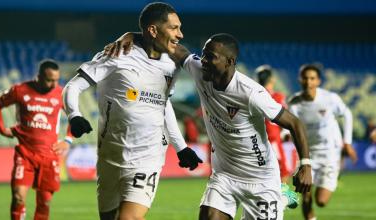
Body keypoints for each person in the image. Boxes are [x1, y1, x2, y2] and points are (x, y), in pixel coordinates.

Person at [107, 33, 312, 220]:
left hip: (261, 180)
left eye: (211, 56)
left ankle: (281, 197)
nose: (203, 61)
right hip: (225, 175)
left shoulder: (250, 93)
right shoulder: (200, 70)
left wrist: (305, 164)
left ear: (229, 62)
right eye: (204, 55)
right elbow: (173, 47)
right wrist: (133, 36)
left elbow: (294, 123)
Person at [62, 2, 202, 220]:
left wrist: (181, 147)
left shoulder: (173, 64)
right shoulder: (118, 53)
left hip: (149, 156)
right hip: (110, 154)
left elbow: (163, 105)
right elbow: (73, 86)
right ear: (153, 30)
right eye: (174, 28)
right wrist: (74, 115)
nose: (180, 34)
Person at [0, 59, 72, 220]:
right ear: (39, 76)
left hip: (49, 155)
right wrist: (1, 129)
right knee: (18, 197)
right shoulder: (20, 90)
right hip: (25, 153)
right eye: (49, 80)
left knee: (44, 202)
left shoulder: (60, 94)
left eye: (56, 80)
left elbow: (76, 117)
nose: (53, 84)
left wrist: (67, 140)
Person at [288, 64, 357, 220]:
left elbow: (347, 115)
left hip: (330, 154)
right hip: (307, 154)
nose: (308, 82)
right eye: (305, 78)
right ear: (300, 80)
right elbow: (291, 126)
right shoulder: (294, 103)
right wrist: (285, 135)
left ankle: (335, 174)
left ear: (318, 81)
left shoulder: (330, 99)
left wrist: (347, 142)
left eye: (312, 78)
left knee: (321, 201)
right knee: (305, 197)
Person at [256, 65, 291, 183]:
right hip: (273, 138)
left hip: (255, 140)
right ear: (272, 79)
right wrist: (286, 132)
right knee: (282, 171)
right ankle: (281, 198)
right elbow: (285, 117)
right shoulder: (278, 96)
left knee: (259, 172)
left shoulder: (253, 95)